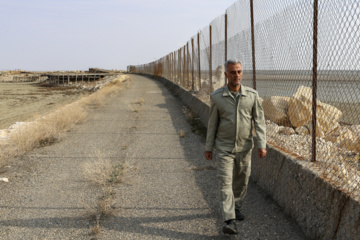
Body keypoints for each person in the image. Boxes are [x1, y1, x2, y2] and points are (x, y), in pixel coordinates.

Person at [204, 59, 267, 235]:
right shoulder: (217, 97)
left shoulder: (252, 96)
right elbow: (212, 124)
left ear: (242, 73)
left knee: (242, 180)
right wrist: (209, 147)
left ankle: (236, 206)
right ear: (226, 75)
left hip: (245, 148)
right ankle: (229, 219)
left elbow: (259, 122)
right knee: (225, 182)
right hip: (224, 148)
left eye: (239, 72)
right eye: (232, 72)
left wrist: (262, 144)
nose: (236, 75)